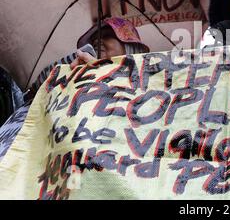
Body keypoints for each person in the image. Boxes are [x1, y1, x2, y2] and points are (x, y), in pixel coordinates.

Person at [0, 17, 149, 161]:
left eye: (108, 35)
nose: (97, 40)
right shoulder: (74, 68)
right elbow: (34, 96)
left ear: (130, 48)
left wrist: (103, 79)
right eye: (94, 38)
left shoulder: (147, 90)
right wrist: (76, 77)